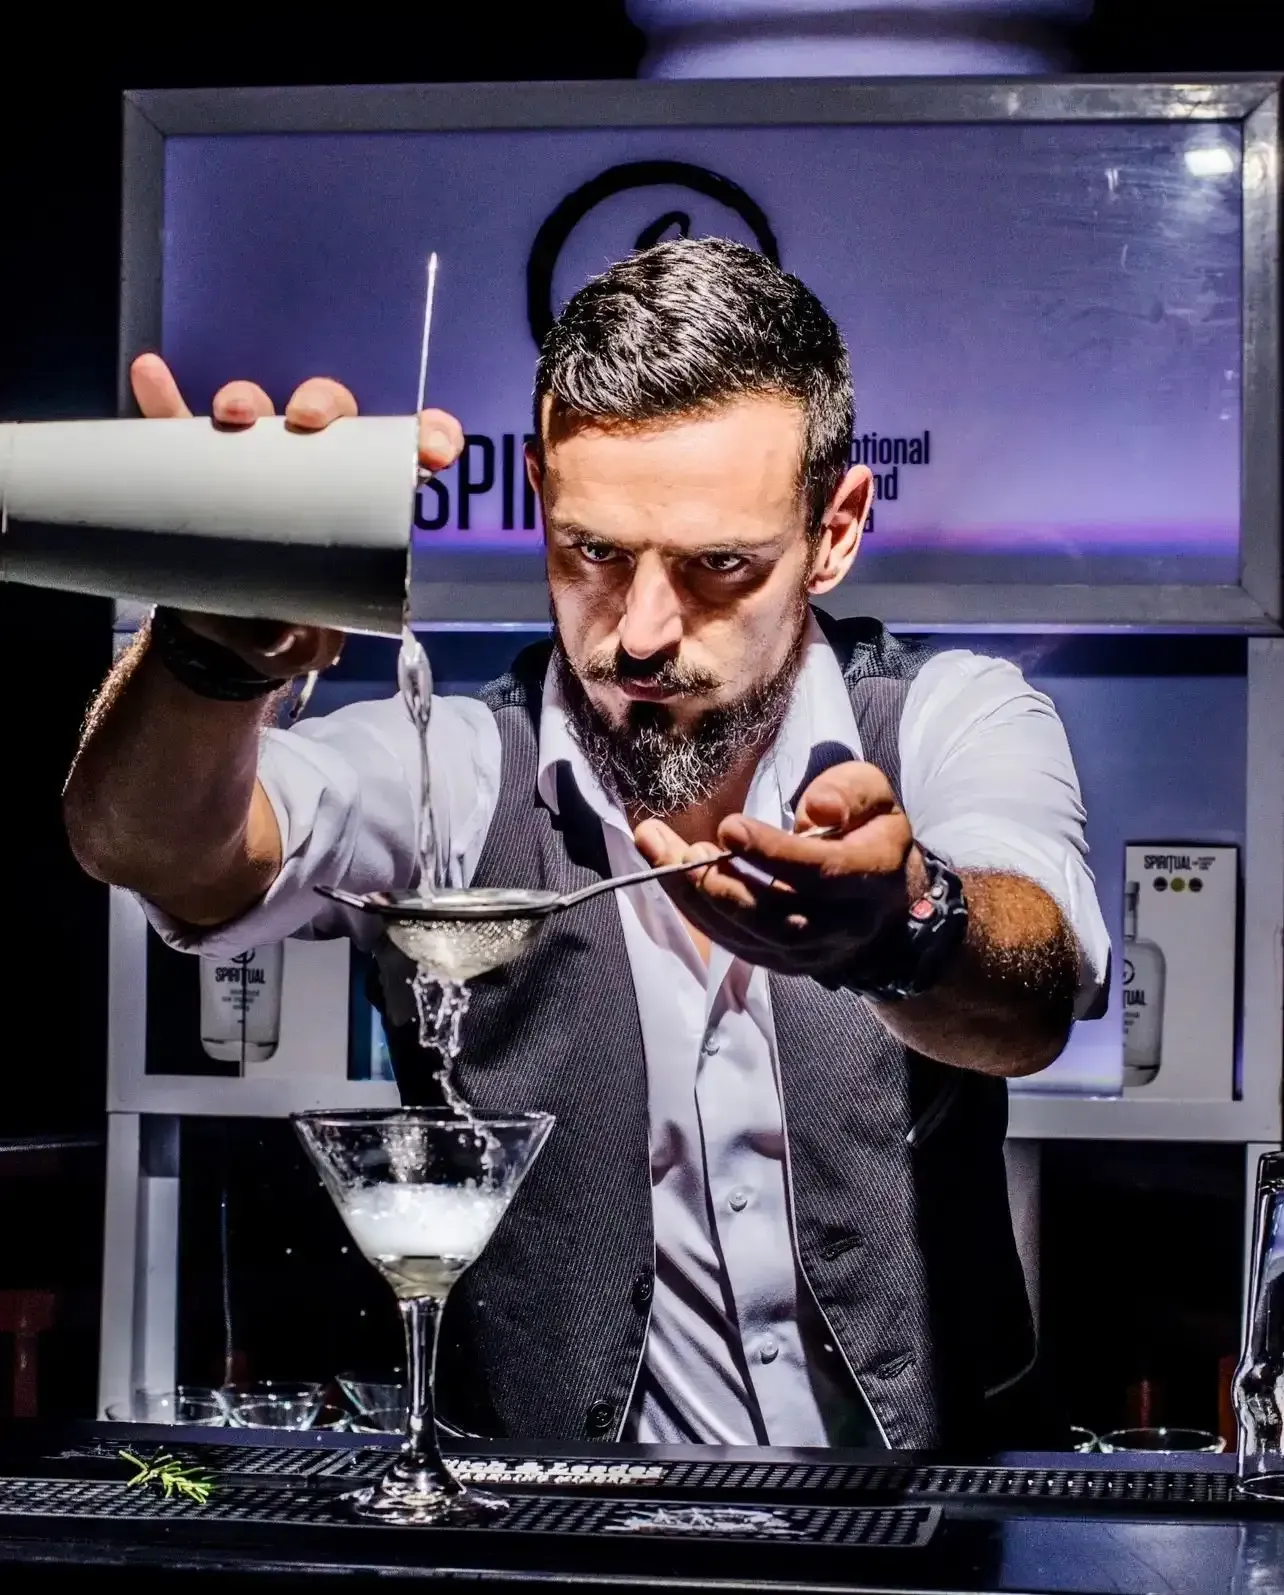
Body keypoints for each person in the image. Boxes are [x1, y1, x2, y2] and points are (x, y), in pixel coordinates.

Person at [65, 237, 1108, 1453]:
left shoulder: (950, 715)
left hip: (932, 1540)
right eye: (594, 555)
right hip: (562, 1543)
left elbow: (1032, 991)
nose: (645, 632)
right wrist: (207, 651)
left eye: (720, 565)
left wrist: (899, 929)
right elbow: (151, 845)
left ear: (835, 531)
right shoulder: (450, 762)